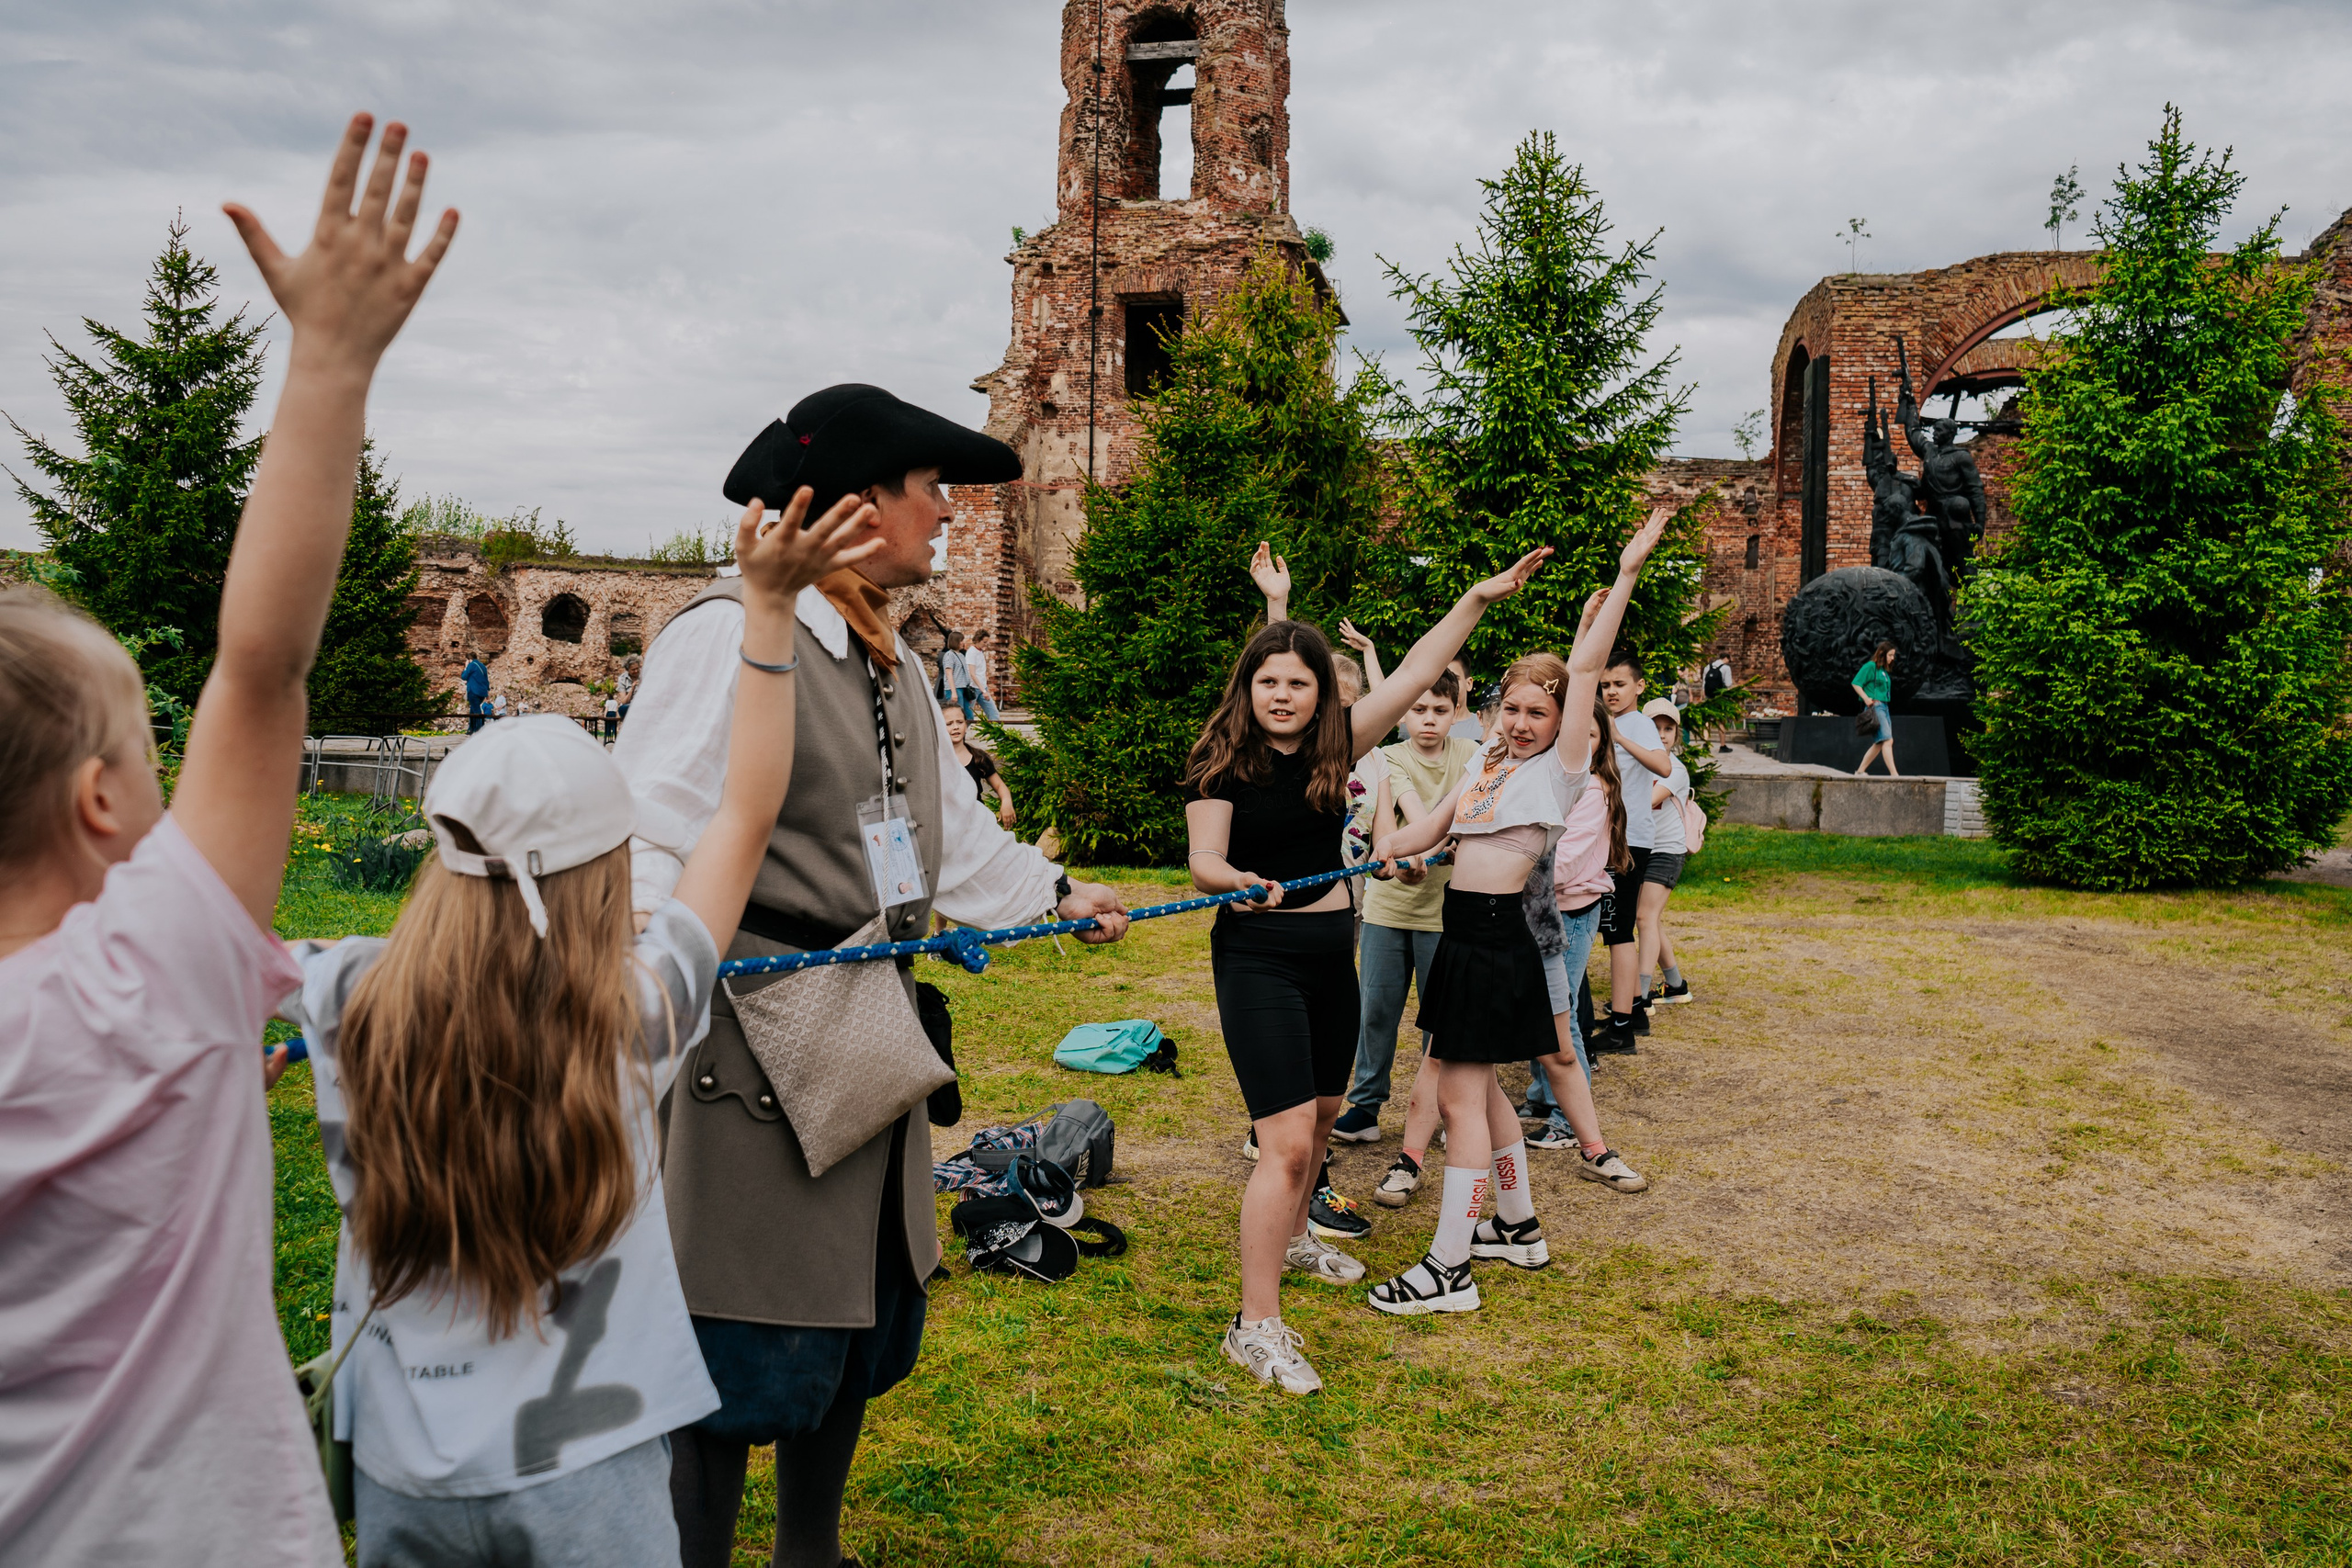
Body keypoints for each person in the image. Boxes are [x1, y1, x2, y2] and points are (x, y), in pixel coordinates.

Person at [0, 113, 455, 1566]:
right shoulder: (147, 978)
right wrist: (329, 363)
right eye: (151, 752)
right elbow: (260, 669)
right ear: (101, 802)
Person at [285, 493, 875, 1566]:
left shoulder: (346, 992)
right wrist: (767, 610)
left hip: (406, 1467)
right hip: (590, 1461)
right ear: (610, 868)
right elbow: (745, 809)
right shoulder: (637, 1010)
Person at [615, 383, 1132, 1566]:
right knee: (729, 1329)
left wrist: (1054, 895)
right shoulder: (727, 636)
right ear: (856, 505)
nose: (946, 511)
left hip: (868, 1032)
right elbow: (647, 826)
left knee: (855, 1309)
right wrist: (646, 988)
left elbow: (947, 825)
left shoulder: (886, 652)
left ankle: (812, 1553)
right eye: (929, 488)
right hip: (742, 1039)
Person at [1184, 541, 1555, 1394]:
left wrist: (1476, 597)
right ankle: (1255, 1324)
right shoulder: (1219, 761)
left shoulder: (1338, 745)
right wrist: (1233, 881)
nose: (1282, 694)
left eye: (1298, 682)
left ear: (1323, 693)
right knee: (1284, 1144)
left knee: (1323, 1119)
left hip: (1330, 952)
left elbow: (1420, 665)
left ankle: (1297, 1238)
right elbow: (1204, 858)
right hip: (1258, 958)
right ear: (1248, 688)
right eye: (1268, 681)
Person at [1363, 509, 1671, 1316]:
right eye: (1513, 709)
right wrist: (1386, 845)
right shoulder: (1487, 765)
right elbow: (1434, 830)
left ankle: (1448, 1267)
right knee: (1488, 1096)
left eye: (1539, 712)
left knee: (1461, 1100)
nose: (1522, 722)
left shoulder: (1561, 769)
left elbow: (1585, 664)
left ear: (1563, 722)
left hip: (1501, 937)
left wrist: (1628, 572)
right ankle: (1518, 1225)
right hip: (1461, 934)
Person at [1336, 672, 1474, 1163]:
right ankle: (1365, 1107)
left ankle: (1446, 1111)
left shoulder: (1472, 755)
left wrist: (1446, 844)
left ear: (1457, 712)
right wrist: (1430, 848)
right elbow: (1416, 816)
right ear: (1403, 714)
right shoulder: (1389, 757)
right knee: (1376, 1011)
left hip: (1446, 916)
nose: (1429, 720)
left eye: (1440, 710)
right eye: (1418, 710)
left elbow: (1470, 811)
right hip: (1387, 909)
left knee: (1442, 1021)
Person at [1519, 698, 1650, 1194]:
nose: (1579, 743)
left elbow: (1567, 861)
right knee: (1540, 1005)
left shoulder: (1593, 791)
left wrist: (1509, 874)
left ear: (1601, 744)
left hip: (1571, 912)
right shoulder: (1549, 783)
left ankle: (1567, 1120)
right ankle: (1541, 1096)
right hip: (1539, 907)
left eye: (1591, 736)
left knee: (1564, 1011)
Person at [1590, 649, 1673, 1053]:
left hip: (1627, 842)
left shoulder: (1636, 723)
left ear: (1639, 687)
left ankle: (1621, 1029)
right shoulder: (1613, 721)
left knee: (1617, 931)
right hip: (1612, 839)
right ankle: (1634, 1014)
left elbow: (1664, 766)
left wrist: (1619, 737)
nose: (1611, 692)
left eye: (1619, 684)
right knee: (1615, 929)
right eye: (1605, 685)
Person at [1638, 698, 1695, 1005]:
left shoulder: (1675, 769)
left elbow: (1646, 800)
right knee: (1650, 920)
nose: (1662, 735)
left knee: (1645, 918)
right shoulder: (1635, 764)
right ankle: (1676, 986)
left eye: (1668, 728)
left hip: (1666, 851)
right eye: (1654, 727)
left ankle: (1638, 997)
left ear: (1676, 734)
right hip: (1640, 848)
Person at [942, 697, 1014, 829]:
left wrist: (1006, 801)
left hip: (976, 823)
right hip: (948, 825)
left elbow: (999, 786)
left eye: (960, 722)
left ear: (966, 725)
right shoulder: (935, 760)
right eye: (949, 724)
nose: (956, 727)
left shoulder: (978, 757)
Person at [1853, 642, 1898, 777]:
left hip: (1884, 707)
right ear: (1882, 654)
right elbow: (1856, 683)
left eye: (1893, 655)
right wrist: (1866, 698)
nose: (1892, 658)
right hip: (1876, 706)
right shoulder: (1870, 666)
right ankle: (1894, 775)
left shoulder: (1882, 670)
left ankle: (1860, 771)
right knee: (1887, 740)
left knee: (1880, 742)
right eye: (1890, 655)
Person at [960, 631, 1004, 722]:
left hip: (982, 687)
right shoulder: (972, 652)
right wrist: (983, 691)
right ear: (977, 640)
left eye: (987, 642)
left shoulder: (980, 651)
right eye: (984, 642)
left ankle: (994, 731)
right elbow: (972, 674)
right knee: (968, 716)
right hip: (973, 688)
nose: (986, 644)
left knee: (994, 714)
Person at [463, 645, 490, 733]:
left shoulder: (471, 665)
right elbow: (486, 679)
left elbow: (464, 676)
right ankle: (471, 728)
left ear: (469, 659)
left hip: (473, 691)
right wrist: (487, 692)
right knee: (473, 709)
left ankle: (480, 729)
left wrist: (466, 667)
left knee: (476, 710)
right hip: (482, 692)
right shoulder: (483, 666)